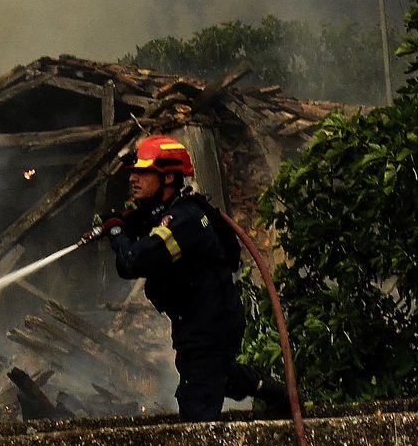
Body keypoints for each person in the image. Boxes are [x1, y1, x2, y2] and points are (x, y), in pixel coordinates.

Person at [92, 134, 290, 422]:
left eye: (142, 172)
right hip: (198, 323)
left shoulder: (184, 220)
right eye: (132, 172)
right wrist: (124, 223)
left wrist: (117, 234)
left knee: (196, 409)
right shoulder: (167, 214)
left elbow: (133, 262)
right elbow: (138, 243)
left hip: (210, 326)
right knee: (215, 374)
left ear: (169, 177)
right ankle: (269, 389)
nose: (133, 178)